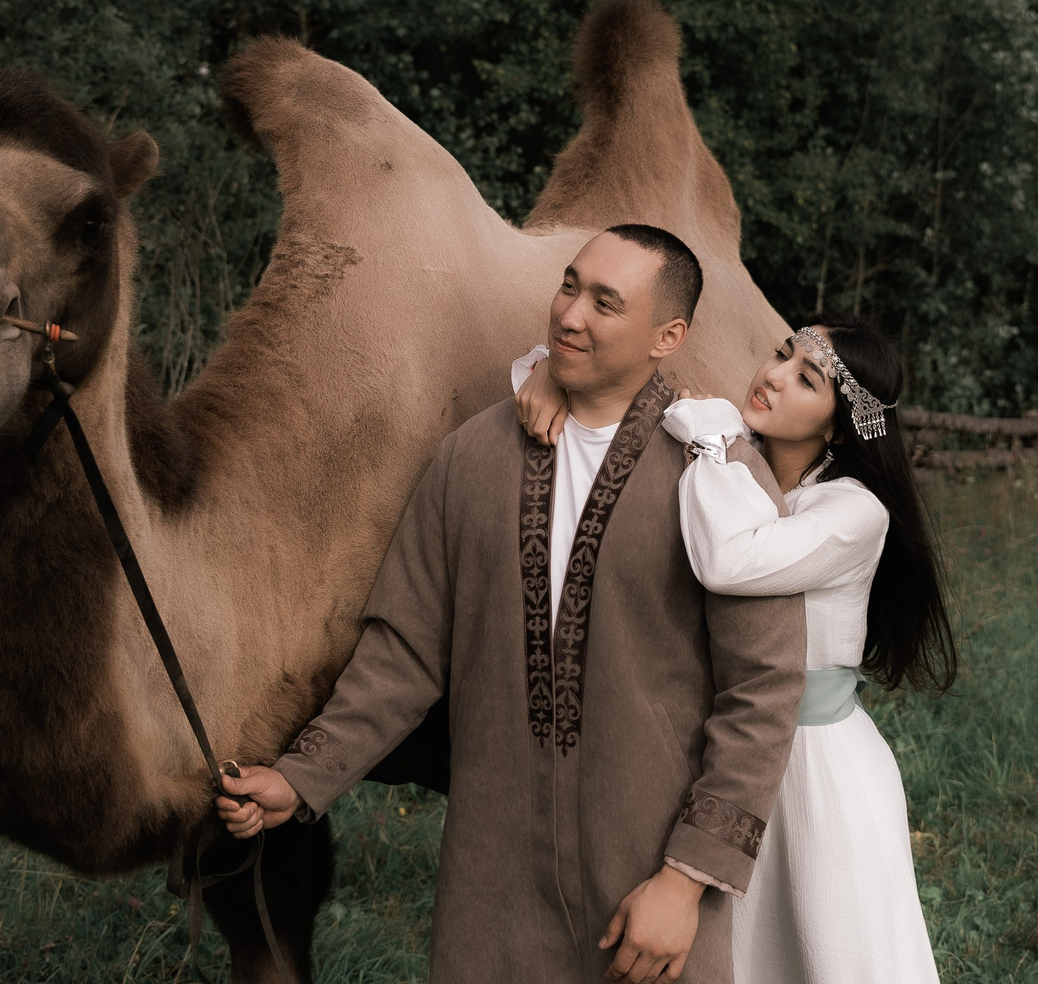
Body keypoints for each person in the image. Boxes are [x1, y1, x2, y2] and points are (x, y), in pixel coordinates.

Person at [216, 225, 806, 984]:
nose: (570, 314)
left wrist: (686, 879)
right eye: (569, 284)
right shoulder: (470, 457)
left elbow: (762, 690)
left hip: (647, 871)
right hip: (491, 874)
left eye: (605, 302)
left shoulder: (717, 477)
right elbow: (404, 650)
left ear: (669, 335)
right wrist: (300, 776)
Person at [515, 313, 955, 984]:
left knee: (832, 952)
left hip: (815, 765)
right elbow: (608, 392)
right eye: (781, 355)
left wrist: (715, 433)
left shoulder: (854, 511)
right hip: (725, 749)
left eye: (806, 378)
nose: (773, 377)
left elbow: (730, 557)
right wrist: (550, 376)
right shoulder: (730, 454)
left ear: (837, 426)